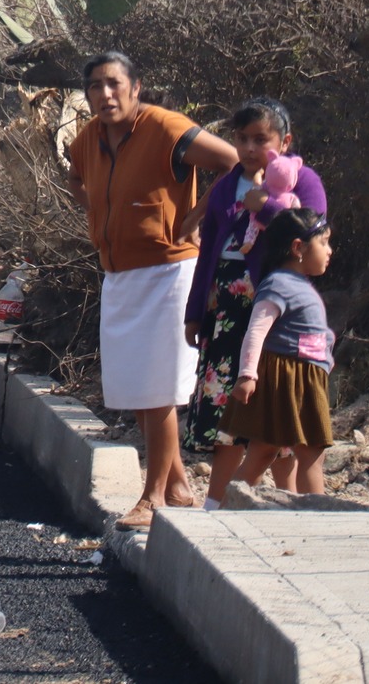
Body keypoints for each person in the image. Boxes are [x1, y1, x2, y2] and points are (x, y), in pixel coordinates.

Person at [63, 52, 239, 531]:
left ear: (135, 87)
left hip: (168, 271)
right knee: (140, 390)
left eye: (114, 84)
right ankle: (179, 485)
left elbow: (231, 161)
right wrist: (99, 211)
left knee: (158, 389)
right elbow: (75, 177)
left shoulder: (165, 127)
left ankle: (154, 495)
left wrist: (196, 216)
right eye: (95, 86)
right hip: (118, 274)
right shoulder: (90, 138)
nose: (105, 94)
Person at [183, 98, 321, 506]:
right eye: (241, 139)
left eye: (261, 139)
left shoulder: (303, 180)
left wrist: (271, 205)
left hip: (275, 305)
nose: (248, 148)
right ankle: (217, 503)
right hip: (225, 305)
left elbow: (313, 237)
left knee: (272, 403)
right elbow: (208, 250)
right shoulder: (227, 184)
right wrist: (195, 311)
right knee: (225, 403)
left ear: (285, 140)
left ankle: (290, 501)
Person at [221, 209, 336, 496]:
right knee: (310, 452)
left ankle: (227, 510)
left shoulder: (300, 285)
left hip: (304, 379)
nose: (329, 251)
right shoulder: (278, 284)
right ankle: (316, 519)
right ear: (298, 247)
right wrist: (247, 374)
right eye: (324, 243)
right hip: (286, 379)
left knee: (263, 452)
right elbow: (256, 330)